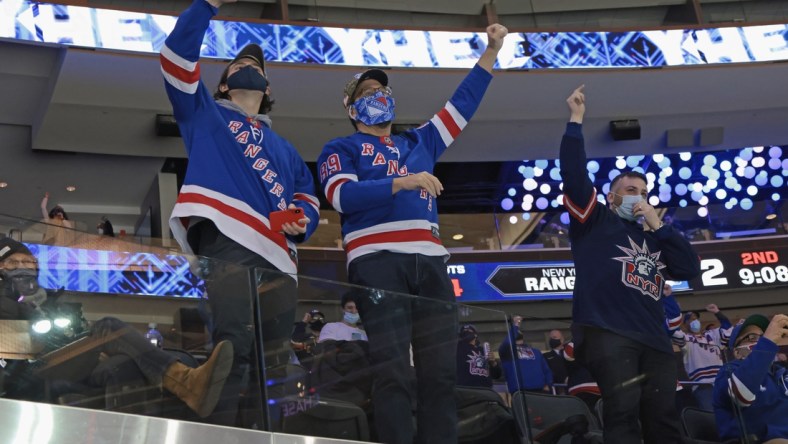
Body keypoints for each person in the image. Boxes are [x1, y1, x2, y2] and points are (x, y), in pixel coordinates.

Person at [316, 22, 507, 444]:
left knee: (440, 372)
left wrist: (491, 52)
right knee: (393, 370)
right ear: (351, 109)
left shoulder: (419, 141)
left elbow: (463, 104)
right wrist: (401, 183)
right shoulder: (339, 149)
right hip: (377, 261)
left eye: (381, 90)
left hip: (432, 263)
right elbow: (342, 197)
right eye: (366, 94)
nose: (377, 97)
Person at [160, 0, 320, 425]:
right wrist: (208, 5)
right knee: (232, 349)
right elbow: (175, 56)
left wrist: (303, 221)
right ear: (224, 86)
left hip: (280, 258)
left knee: (275, 364)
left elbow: (307, 197)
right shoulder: (203, 114)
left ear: (267, 90)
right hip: (227, 238)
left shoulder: (286, 149)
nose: (249, 67)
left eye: (257, 66)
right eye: (238, 64)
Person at [560, 85, 702, 444]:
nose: (636, 195)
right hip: (607, 330)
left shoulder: (655, 237)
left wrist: (659, 225)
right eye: (629, 190)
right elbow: (575, 176)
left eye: (642, 190)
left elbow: (689, 269)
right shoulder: (595, 221)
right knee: (622, 412)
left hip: (654, 339)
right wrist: (575, 121)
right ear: (611, 197)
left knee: (664, 420)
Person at [0, 238, 234, 417]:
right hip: (33, 371)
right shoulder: (8, 302)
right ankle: (186, 382)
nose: (22, 267)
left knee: (122, 364)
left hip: (69, 362)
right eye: (13, 262)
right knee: (110, 327)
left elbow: (69, 334)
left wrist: (90, 347)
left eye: (27, 261)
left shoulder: (52, 302)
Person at [712, 313, 788, 443]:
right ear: (736, 351)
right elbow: (741, 395)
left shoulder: (782, 373)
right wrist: (768, 341)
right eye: (752, 337)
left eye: (762, 336)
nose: (760, 341)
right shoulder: (728, 371)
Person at [673, 303, 732, 411]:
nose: (695, 321)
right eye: (690, 319)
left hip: (721, 383)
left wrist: (717, 312)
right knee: (712, 417)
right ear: (685, 325)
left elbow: (728, 330)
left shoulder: (712, 335)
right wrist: (674, 311)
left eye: (696, 318)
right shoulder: (686, 340)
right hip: (702, 386)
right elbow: (674, 331)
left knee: (731, 414)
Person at [499, 316, 553, 394]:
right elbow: (507, 342)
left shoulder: (536, 351)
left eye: (519, 330)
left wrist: (548, 384)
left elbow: (547, 370)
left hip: (541, 391)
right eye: (515, 331)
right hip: (520, 393)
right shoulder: (507, 350)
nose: (518, 331)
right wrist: (515, 325)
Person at [456, 323, 501, 388]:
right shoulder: (458, 348)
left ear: (475, 334)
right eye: (464, 331)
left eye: (469, 330)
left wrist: (493, 363)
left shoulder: (483, 350)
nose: (466, 332)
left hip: (486, 390)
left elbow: (496, 375)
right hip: (466, 389)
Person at [542, 329, 569, 393]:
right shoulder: (545, 356)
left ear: (562, 339)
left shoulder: (569, 353)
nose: (552, 340)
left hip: (570, 387)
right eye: (550, 338)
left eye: (554, 337)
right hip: (555, 389)